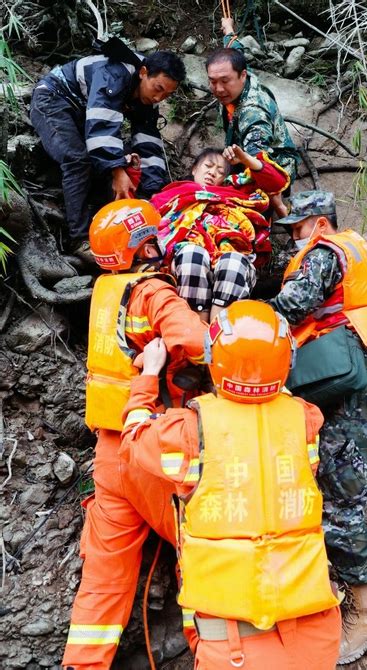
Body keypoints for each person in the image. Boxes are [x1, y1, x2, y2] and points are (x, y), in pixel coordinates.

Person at [119, 300, 341, 669]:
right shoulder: (305, 420)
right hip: (318, 633)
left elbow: (133, 443)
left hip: (237, 647)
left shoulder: (188, 431)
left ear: (212, 357)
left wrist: (148, 377)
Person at [62, 198, 207, 669]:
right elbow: (196, 342)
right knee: (203, 552)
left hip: (109, 449)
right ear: (145, 243)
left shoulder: (106, 291)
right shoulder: (151, 292)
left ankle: (82, 664)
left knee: (104, 577)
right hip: (154, 447)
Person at [267, 190, 367, 664]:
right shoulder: (353, 248)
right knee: (324, 486)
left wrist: (237, 320)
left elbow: (292, 305)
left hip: (350, 385)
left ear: (317, 223)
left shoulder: (326, 250)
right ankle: (340, 593)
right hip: (356, 381)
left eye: (296, 228)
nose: (292, 239)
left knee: (340, 501)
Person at [30, 41, 185, 262]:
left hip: (82, 113)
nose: (158, 98)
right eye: (158, 89)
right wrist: (117, 171)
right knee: (78, 160)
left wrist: (152, 195)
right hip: (53, 100)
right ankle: (79, 239)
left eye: (166, 95)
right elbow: (101, 126)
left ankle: (115, 233)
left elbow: (149, 143)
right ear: (143, 73)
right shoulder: (115, 74)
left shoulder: (148, 97)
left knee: (120, 160)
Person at [150, 144, 289, 322]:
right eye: (208, 166)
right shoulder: (171, 194)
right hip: (183, 257)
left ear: (225, 178)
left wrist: (245, 159)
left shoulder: (234, 193)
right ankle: (196, 332)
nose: (212, 173)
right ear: (194, 169)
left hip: (231, 254)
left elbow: (276, 182)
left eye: (220, 171)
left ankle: (220, 336)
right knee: (192, 255)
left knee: (234, 262)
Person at [205, 17, 300, 216]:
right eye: (213, 81)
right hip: (245, 149)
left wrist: (279, 208)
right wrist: (228, 29)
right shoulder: (235, 68)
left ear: (243, 75)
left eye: (225, 81)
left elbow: (259, 164)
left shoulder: (253, 113)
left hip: (276, 167)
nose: (219, 89)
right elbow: (234, 49)